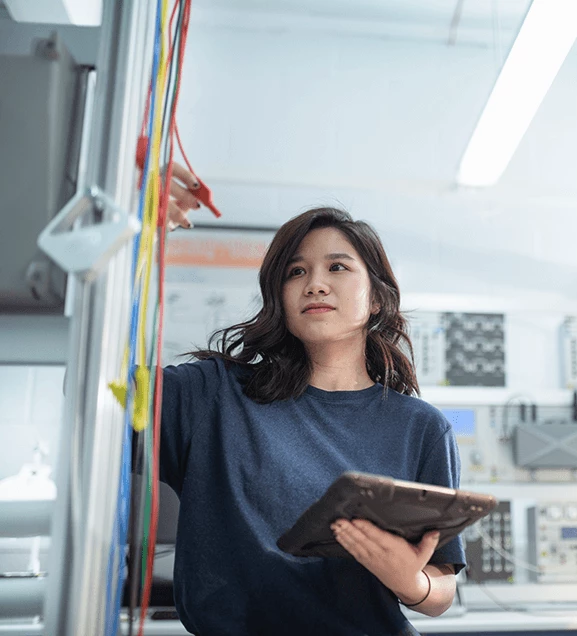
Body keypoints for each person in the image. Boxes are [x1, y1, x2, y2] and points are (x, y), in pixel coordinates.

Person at [158, 165, 464, 635]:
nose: (315, 283)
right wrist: (134, 231)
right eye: (296, 271)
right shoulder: (213, 394)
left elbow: (442, 584)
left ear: (377, 299)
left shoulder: (421, 428)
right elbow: (100, 391)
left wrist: (412, 582)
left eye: (337, 267)